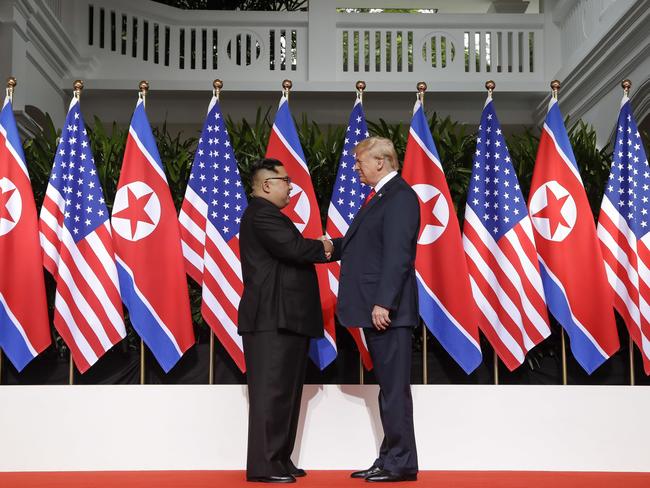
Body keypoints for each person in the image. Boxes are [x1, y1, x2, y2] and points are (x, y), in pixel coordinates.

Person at [330, 137, 420, 482]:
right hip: (376, 308)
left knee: (394, 389)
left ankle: (401, 463)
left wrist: (384, 301)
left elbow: (398, 256)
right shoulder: (381, 196)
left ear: (380, 162)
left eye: (359, 162)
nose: (356, 167)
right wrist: (327, 247)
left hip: (388, 311)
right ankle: (390, 458)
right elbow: (362, 245)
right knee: (388, 389)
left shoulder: (399, 197)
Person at [238, 158, 333, 484]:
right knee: (272, 394)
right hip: (270, 319)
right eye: (285, 180)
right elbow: (293, 249)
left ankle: (279, 459)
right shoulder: (261, 213)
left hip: (285, 318)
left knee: (286, 393)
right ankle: (265, 465)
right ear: (267, 184)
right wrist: (328, 246)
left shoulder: (269, 215)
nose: (291, 186)